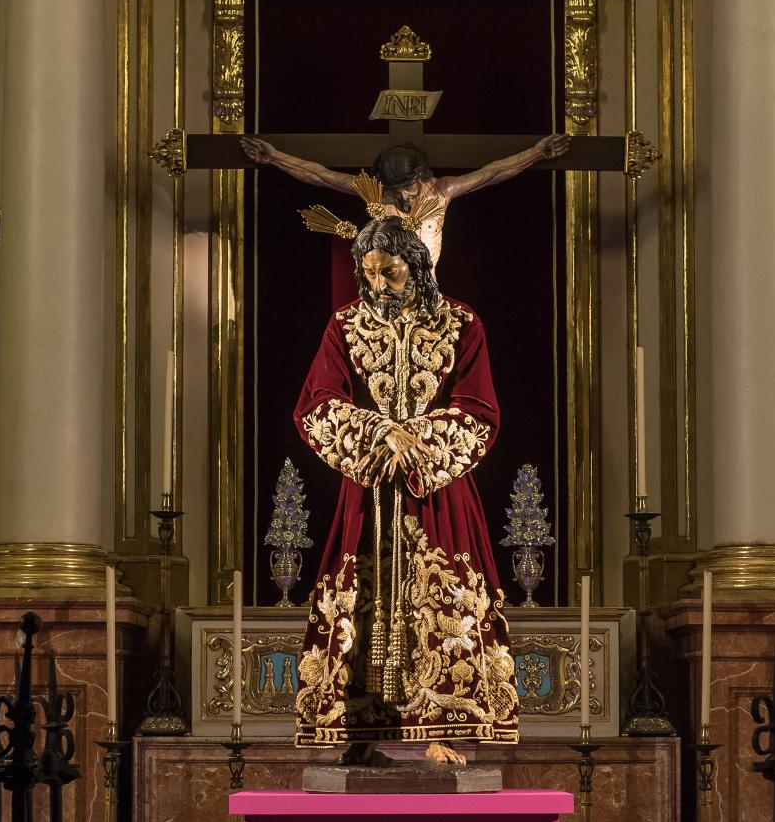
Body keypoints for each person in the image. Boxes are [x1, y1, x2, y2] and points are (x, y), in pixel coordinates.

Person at [293, 214, 519, 763]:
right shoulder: (345, 326)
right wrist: (378, 434)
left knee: (440, 601)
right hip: (368, 490)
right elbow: (316, 402)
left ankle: (441, 728)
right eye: (369, 273)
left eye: (389, 272)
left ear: (415, 265)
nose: (378, 285)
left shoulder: (460, 324)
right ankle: (359, 731)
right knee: (360, 604)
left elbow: (479, 409)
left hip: (435, 494)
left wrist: (415, 443)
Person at [241, 134, 569, 267]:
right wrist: (274, 157)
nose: (401, 196)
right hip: (383, 294)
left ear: (421, 175)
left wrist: (537, 153)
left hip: (427, 294)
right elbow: (321, 175)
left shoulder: (442, 191)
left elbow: (493, 173)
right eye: (394, 190)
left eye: (406, 187)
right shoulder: (377, 193)